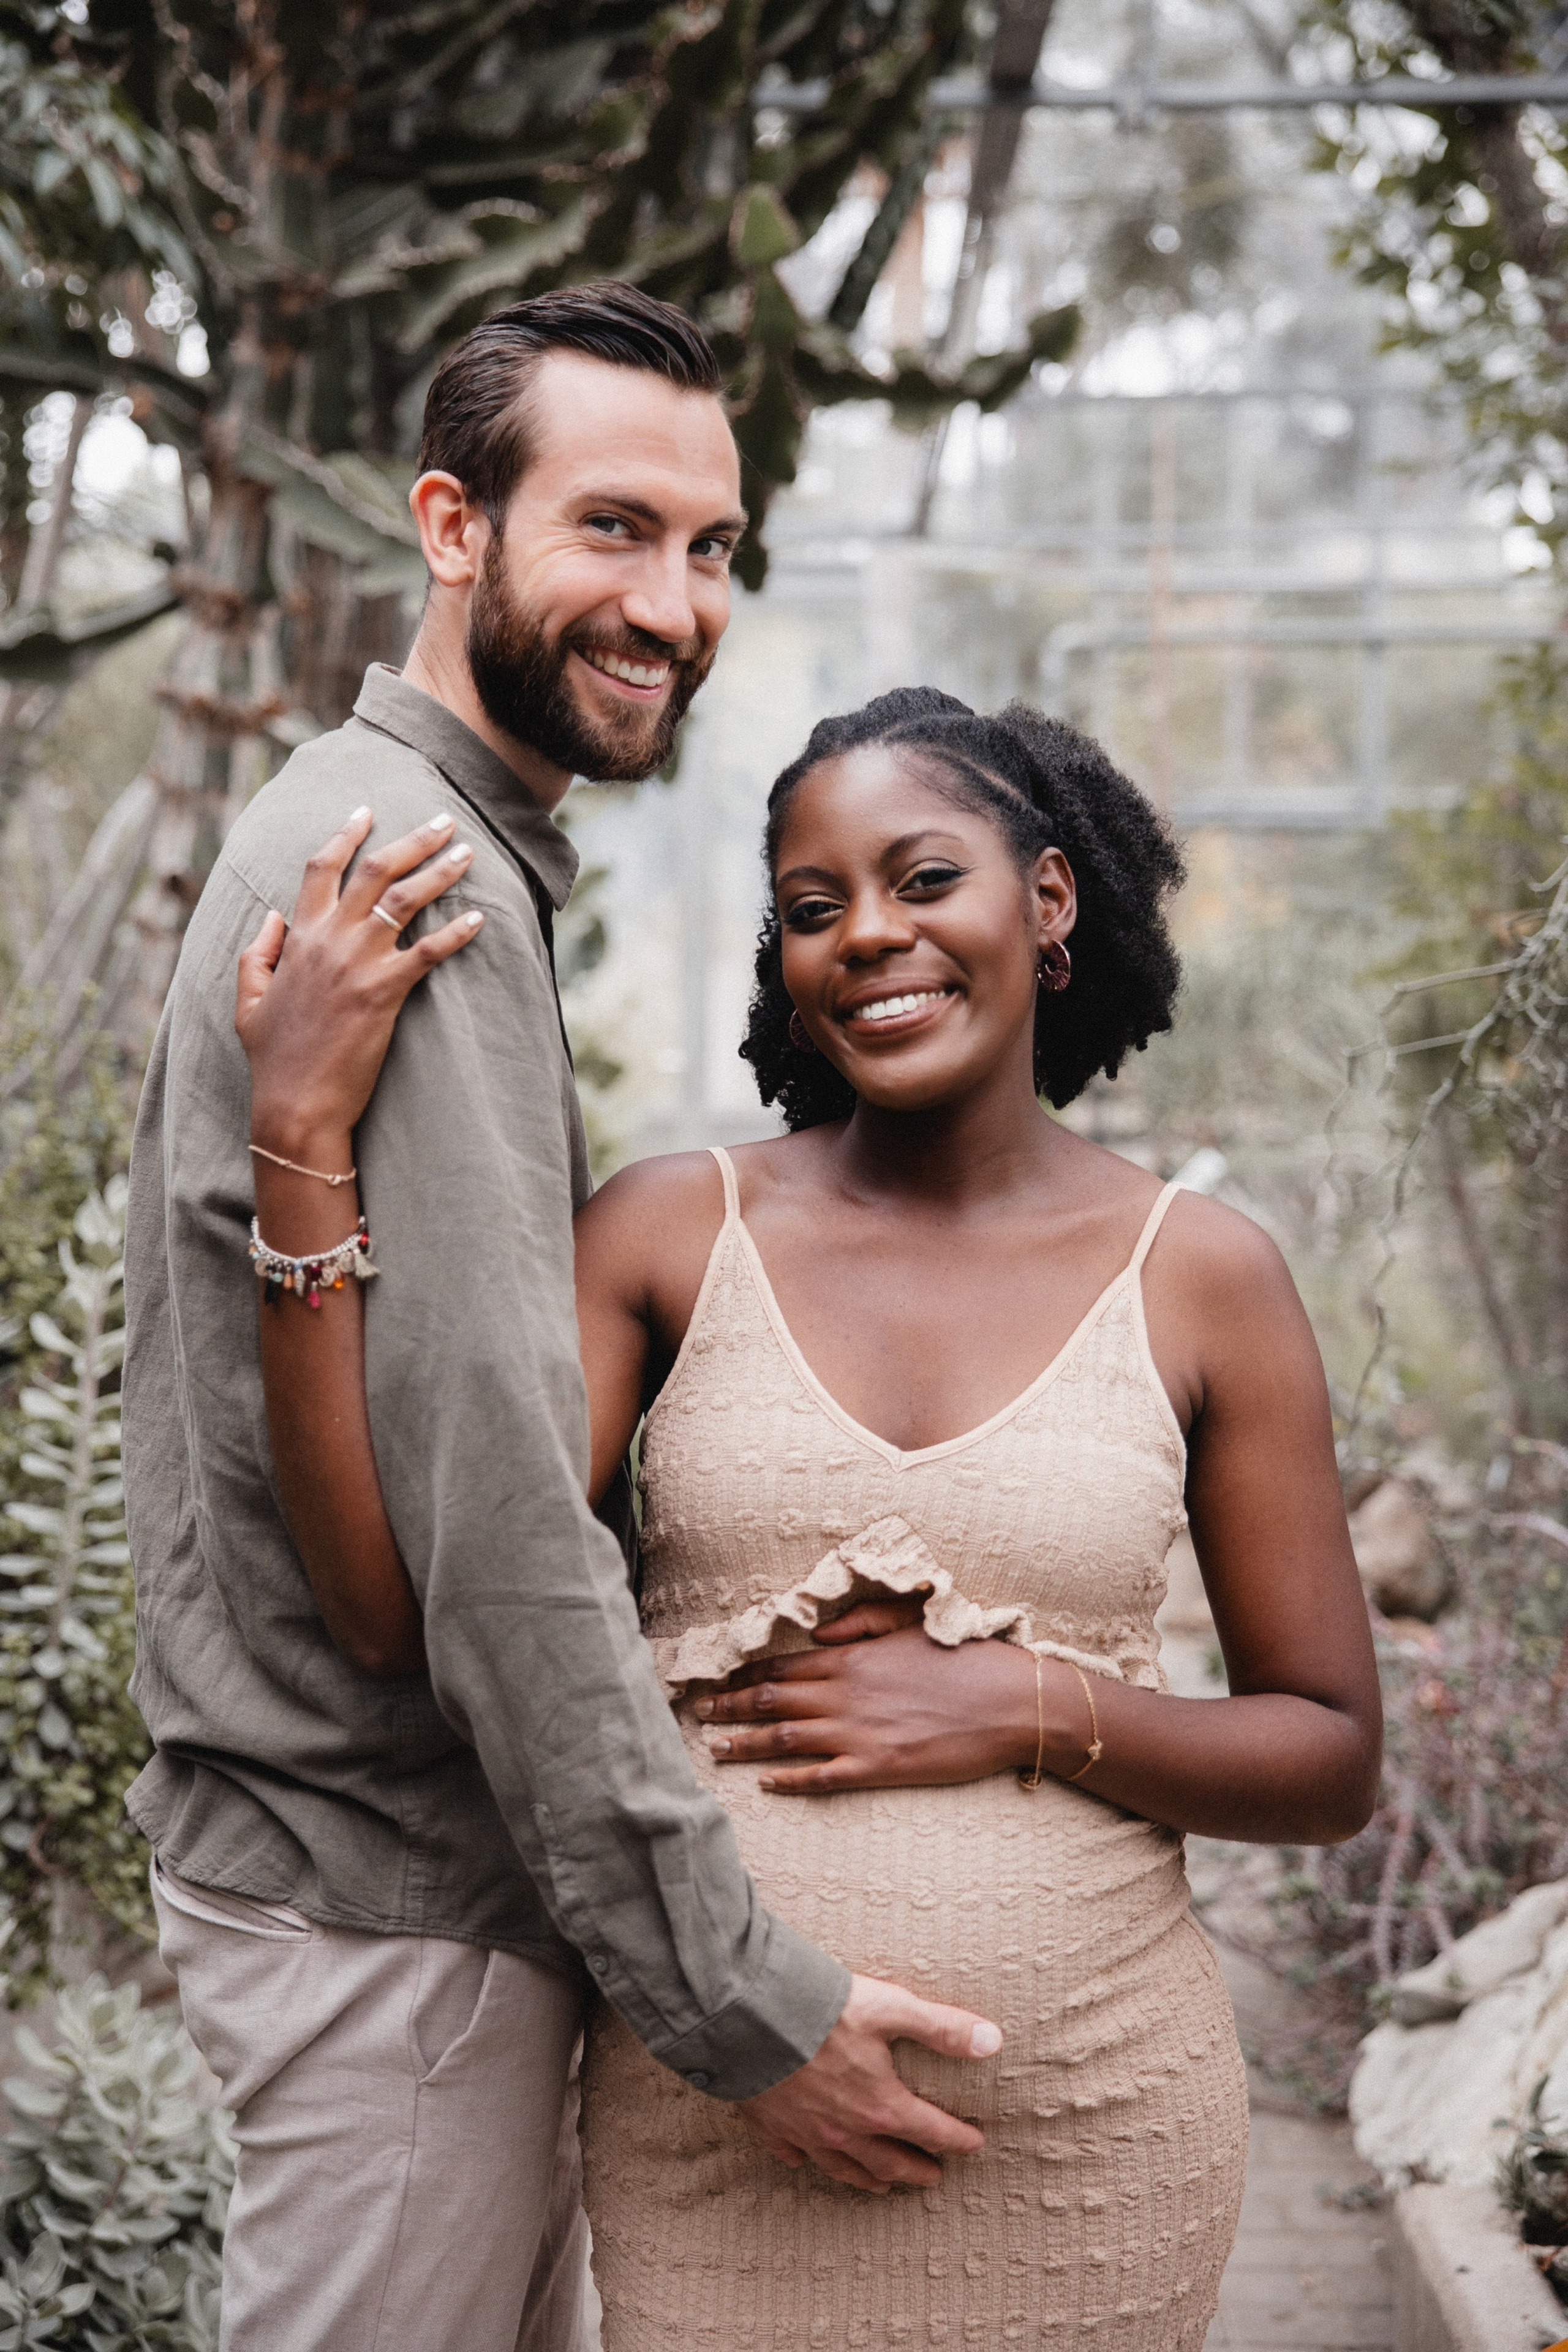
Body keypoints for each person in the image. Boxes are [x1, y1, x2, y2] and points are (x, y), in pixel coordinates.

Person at [234, 684, 1384, 2348]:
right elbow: (400, 1610)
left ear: (1048, 900)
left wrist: (1028, 1705)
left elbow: (1330, 1755)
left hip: (1090, 2149)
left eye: (925, 881)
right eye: (813, 908)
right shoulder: (664, 1237)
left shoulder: (1205, 1276)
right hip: (718, 2129)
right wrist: (294, 1142)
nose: (870, 937)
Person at [121, 287, 1004, 2352]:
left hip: (383, 1895)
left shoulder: (421, 843)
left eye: (710, 549)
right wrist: (739, 1999)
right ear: (452, 529)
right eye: (612, 528)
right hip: (382, 1905)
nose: (675, 604)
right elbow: (489, 1527)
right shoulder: (407, 875)